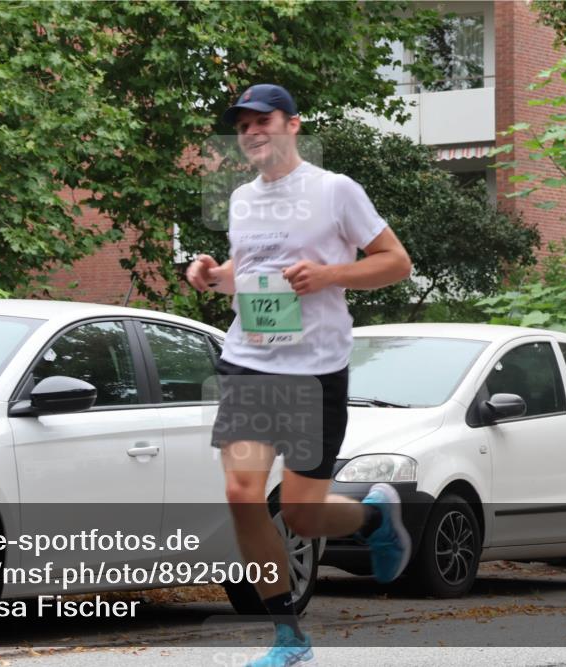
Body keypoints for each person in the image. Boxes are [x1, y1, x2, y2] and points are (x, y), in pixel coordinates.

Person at [186, 84, 414, 667]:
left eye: (262, 120)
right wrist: (213, 275)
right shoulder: (239, 197)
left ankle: (371, 515)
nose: (251, 132)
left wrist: (330, 274)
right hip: (249, 361)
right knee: (242, 495)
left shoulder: (334, 190)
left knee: (301, 514)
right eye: (241, 126)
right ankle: (289, 636)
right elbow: (250, 270)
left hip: (314, 370)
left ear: (293, 125)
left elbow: (396, 262)